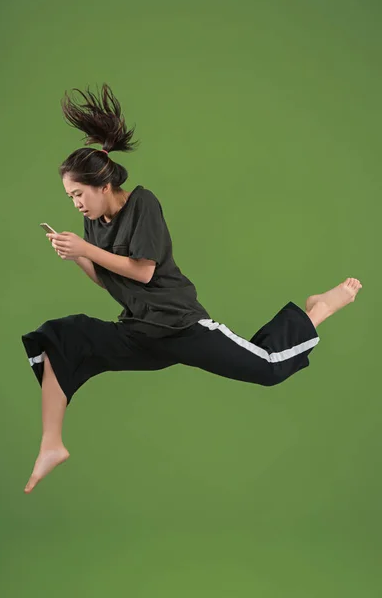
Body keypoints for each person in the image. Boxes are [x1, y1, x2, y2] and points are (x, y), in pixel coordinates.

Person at [21, 83, 362, 494]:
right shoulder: (92, 225)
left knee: (268, 367)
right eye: (70, 196)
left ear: (102, 185)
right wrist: (77, 256)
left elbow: (144, 272)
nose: (75, 203)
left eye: (78, 193)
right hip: (139, 331)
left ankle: (317, 309)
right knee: (61, 339)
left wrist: (86, 248)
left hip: (180, 325)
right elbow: (109, 282)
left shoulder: (142, 203)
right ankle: (51, 443)